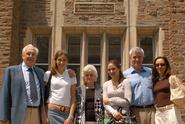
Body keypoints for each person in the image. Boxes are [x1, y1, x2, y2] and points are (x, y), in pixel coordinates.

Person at [0, 44, 47, 124]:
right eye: (28, 53)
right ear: (23, 56)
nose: (31, 56)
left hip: (36, 114)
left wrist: (68, 72)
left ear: (36, 57)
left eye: (33, 54)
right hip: (18, 115)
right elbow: (5, 95)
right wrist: (4, 117)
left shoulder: (40, 72)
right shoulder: (11, 71)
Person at [123, 47, 155, 124]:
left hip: (152, 111)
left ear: (143, 58)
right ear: (130, 58)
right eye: (134, 57)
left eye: (139, 57)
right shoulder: (125, 75)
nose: (137, 59)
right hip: (135, 111)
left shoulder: (150, 72)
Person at [44, 50, 76, 124]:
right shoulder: (48, 74)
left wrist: (70, 116)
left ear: (67, 61)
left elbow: (73, 98)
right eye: (59, 60)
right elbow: (44, 97)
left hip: (66, 114)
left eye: (64, 60)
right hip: (51, 112)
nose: (62, 62)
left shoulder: (71, 75)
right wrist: (45, 115)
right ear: (55, 60)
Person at [152, 56, 182, 124]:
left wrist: (179, 84)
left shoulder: (171, 78)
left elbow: (182, 88)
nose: (159, 66)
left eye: (162, 64)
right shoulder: (155, 80)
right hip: (159, 113)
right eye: (157, 65)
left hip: (171, 111)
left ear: (166, 65)